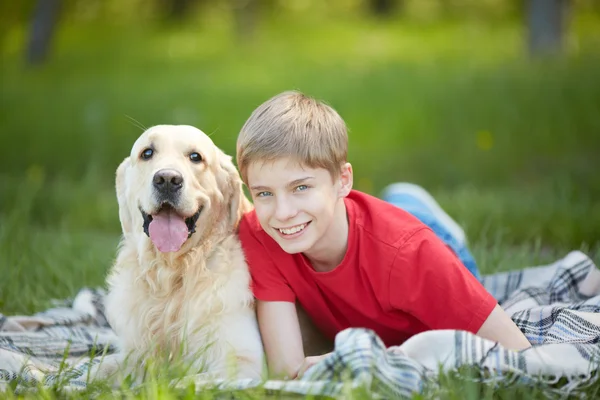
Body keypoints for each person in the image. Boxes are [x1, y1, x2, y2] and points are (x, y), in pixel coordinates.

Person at [235, 90, 531, 380]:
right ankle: (402, 200)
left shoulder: (412, 254)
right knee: (388, 212)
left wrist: (363, 359)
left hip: (422, 248)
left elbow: (520, 352)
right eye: (264, 193)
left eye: (301, 187)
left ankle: (423, 214)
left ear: (343, 180)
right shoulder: (261, 232)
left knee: (425, 235)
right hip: (366, 226)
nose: (283, 212)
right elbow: (287, 371)